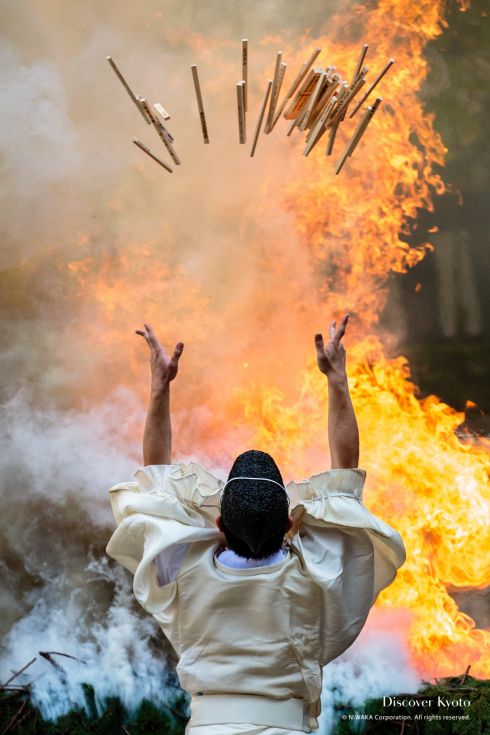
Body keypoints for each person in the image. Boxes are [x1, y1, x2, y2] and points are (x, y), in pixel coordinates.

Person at [106, 315, 406, 734]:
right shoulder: (314, 573)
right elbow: (345, 482)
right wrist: (336, 379)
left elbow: (156, 479)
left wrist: (160, 387)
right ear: (290, 524)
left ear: (217, 523)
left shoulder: (179, 566)